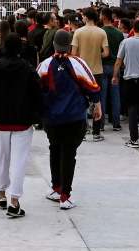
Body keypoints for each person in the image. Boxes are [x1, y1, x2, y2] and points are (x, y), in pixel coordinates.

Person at [38, 30, 102, 210]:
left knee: (54, 150)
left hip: (51, 118)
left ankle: (56, 188)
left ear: (54, 45)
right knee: (69, 154)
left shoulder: (44, 65)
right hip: (74, 117)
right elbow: (92, 86)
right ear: (70, 44)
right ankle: (65, 196)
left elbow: (37, 89)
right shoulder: (78, 63)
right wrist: (97, 105)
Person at [0, 34, 41, 219]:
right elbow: (38, 92)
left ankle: (1, 194)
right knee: (19, 161)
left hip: (0, 119)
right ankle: (15, 201)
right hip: (22, 120)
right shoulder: (27, 68)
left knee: (1, 158)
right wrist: (35, 114)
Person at [113, 19, 139, 148]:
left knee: (132, 109)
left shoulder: (125, 42)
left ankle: (134, 139)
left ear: (133, 28)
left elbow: (118, 61)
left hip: (130, 79)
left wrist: (115, 76)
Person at [71, 9, 109, 141]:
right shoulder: (101, 32)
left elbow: (73, 53)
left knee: (81, 101)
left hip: (81, 72)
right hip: (97, 71)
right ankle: (96, 132)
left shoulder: (78, 32)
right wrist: (96, 54)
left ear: (86, 17)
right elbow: (106, 53)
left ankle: (83, 130)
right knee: (96, 101)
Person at [99, 9, 124, 131]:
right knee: (115, 95)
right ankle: (116, 123)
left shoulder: (100, 32)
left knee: (102, 96)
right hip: (115, 67)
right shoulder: (119, 33)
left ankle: (101, 123)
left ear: (104, 17)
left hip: (102, 66)